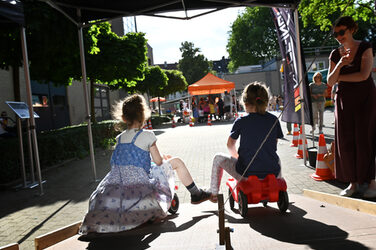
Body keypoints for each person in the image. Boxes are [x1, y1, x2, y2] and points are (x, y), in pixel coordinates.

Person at [80, 94, 211, 236]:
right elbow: (158, 161)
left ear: (124, 118)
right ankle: (195, 193)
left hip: (117, 181)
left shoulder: (119, 138)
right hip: (139, 180)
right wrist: (162, 158)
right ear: (144, 116)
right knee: (177, 162)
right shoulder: (148, 135)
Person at [327, 16, 376, 198]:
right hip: (344, 101)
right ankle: (353, 183)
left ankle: (371, 181)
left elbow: (364, 76)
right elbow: (330, 81)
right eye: (335, 33)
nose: (339, 36)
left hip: (365, 99)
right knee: (346, 141)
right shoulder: (335, 54)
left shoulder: (365, 47)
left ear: (352, 30)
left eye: (342, 32)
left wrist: (339, 77)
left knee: (365, 138)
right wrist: (340, 64)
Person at [209, 82, 283, 201]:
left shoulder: (241, 121)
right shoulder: (274, 119)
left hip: (246, 172)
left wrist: (236, 156)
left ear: (245, 102)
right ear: (266, 101)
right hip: (271, 170)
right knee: (277, 158)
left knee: (218, 158)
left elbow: (230, 144)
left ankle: (213, 193)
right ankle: (277, 182)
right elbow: (274, 143)